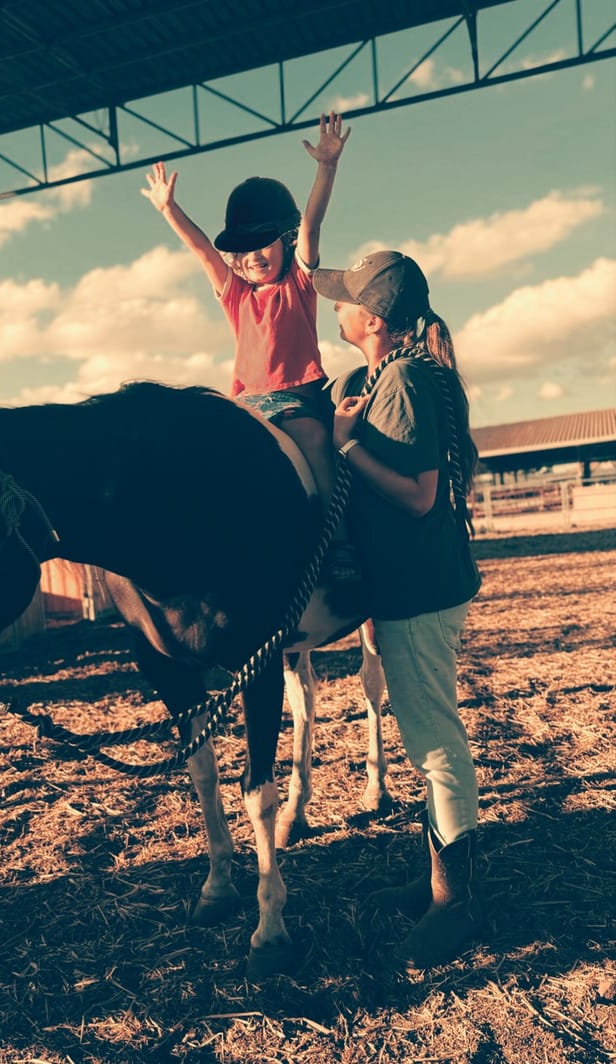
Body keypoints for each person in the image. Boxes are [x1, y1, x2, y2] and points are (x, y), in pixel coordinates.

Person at [313, 250, 484, 969]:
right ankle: (440, 877)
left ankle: (458, 904)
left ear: (374, 321)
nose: (337, 309)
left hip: (419, 592)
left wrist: (347, 446)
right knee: (427, 741)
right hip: (412, 587)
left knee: (436, 744)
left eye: (346, 301)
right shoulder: (396, 373)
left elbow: (416, 494)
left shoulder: (407, 378)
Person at [141, 113, 349, 514]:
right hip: (246, 403)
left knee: (314, 441)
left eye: (263, 243)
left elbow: (312, 225)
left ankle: (336, 533)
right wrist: (169, 210)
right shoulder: (236, 295)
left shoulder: (298, 284)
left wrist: (327, 166)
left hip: (296, 402)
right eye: (244, 248)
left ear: (287, 241)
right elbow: (202, 249)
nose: (254, 255)